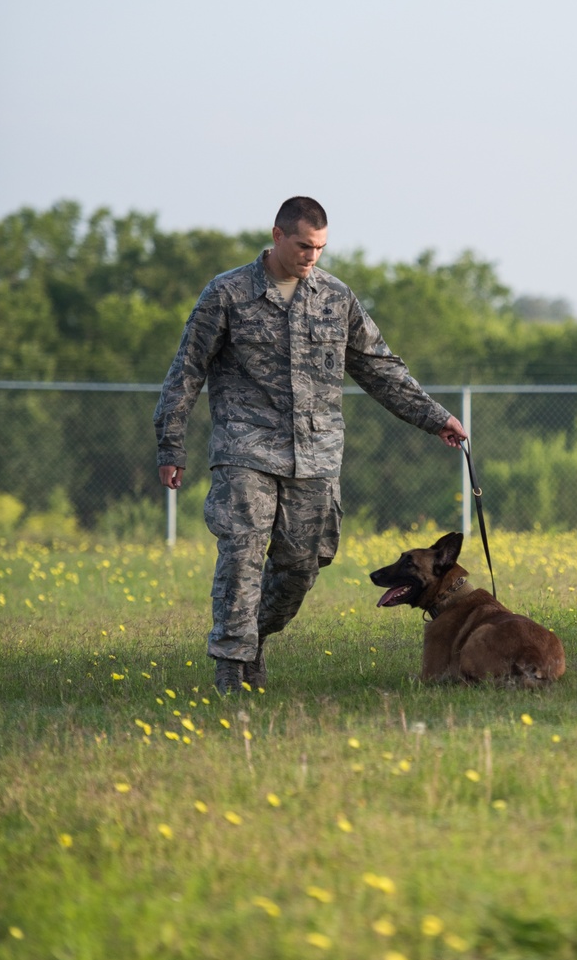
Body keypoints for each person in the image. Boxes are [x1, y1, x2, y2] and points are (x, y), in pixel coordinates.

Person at [154, 195, 467, 693]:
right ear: (277, 236)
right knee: (242, 554)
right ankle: (230, 674)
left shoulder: (335, 297)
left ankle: (252, 639)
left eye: (320, 247)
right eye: (303, 245)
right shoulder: (227, 294)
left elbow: (379, 367)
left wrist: (436, 418)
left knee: (301, 568)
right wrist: (171, 445)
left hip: (315, 458)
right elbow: (185, 371)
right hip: (245, 451)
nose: (311, 256)